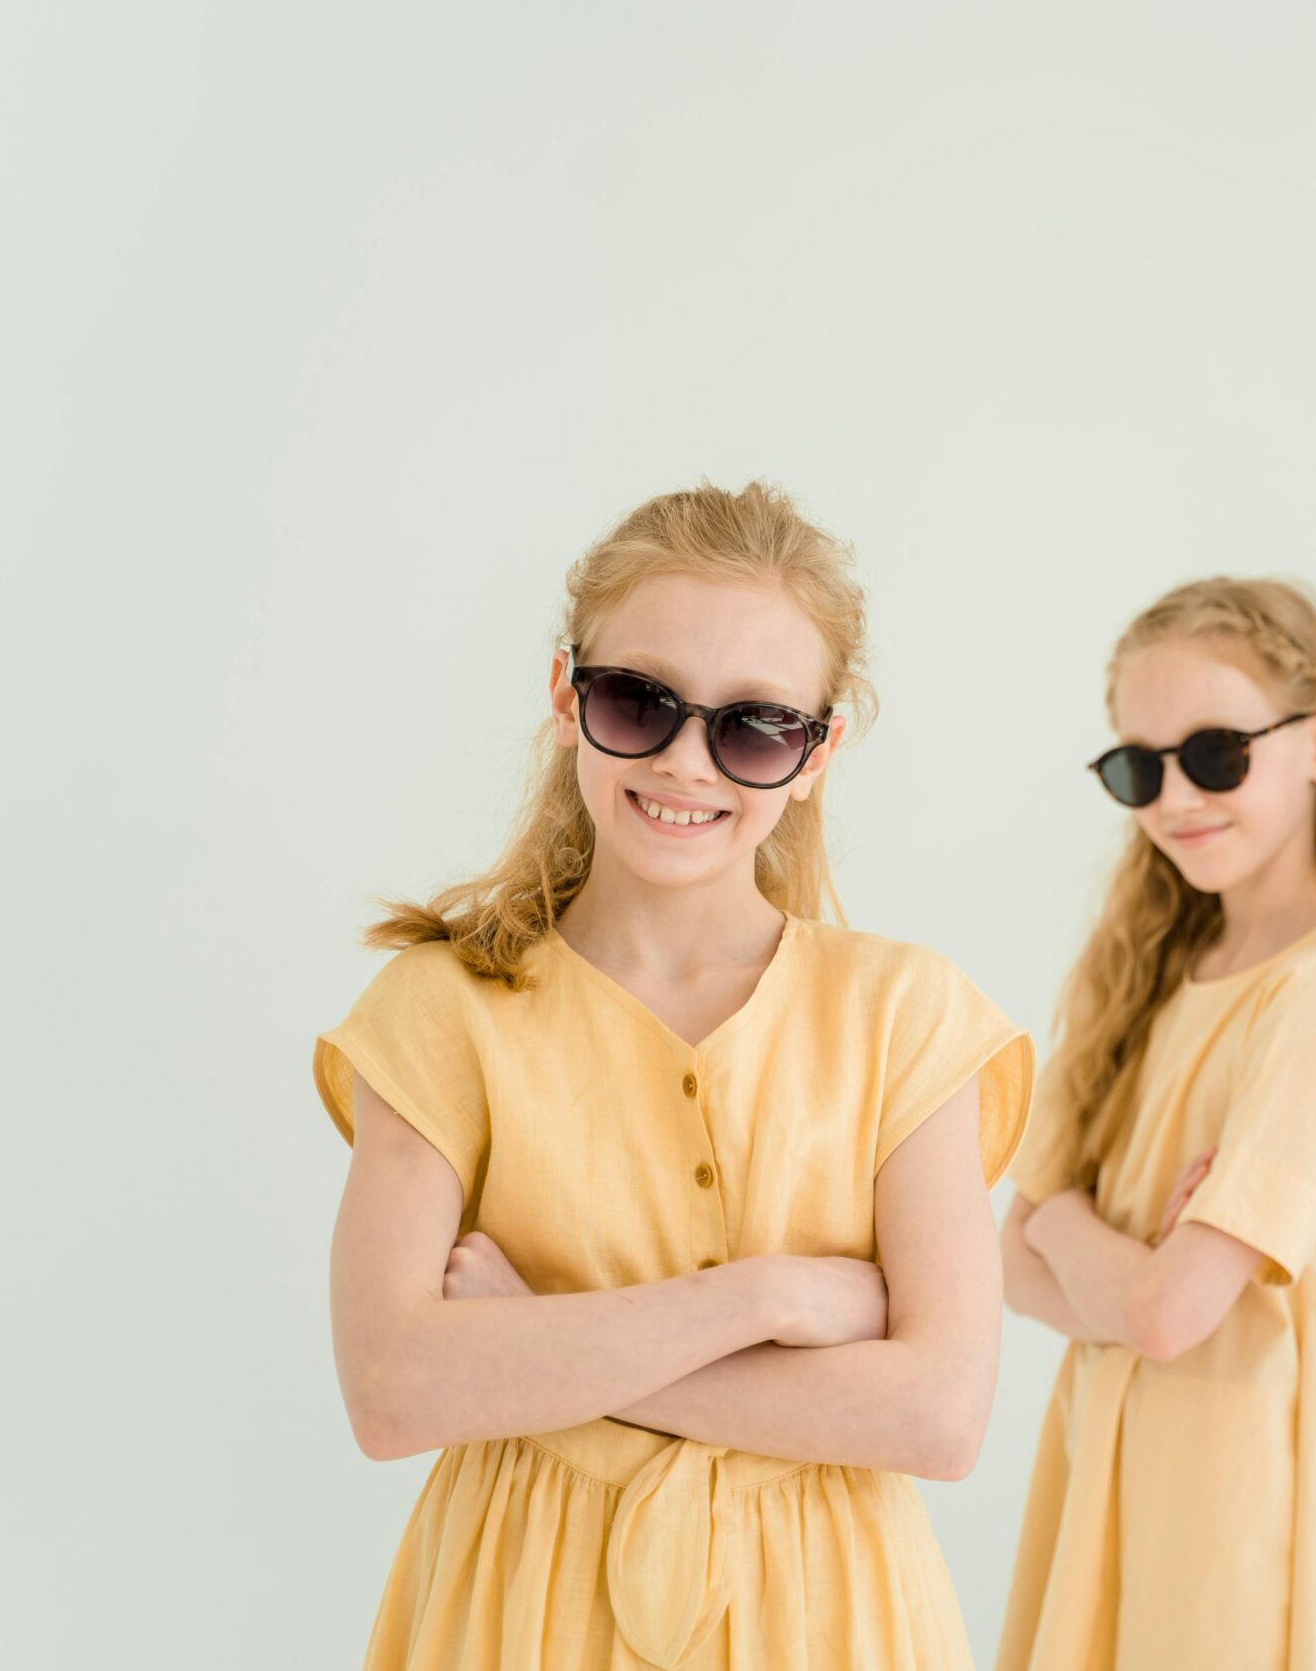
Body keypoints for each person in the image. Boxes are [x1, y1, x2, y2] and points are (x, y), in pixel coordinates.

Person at [312, 482, 1034, 1671]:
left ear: (814, 755)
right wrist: (768, 1300)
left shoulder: (906, 1014)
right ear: (566, 698)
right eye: (637, 701)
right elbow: (393, 1390)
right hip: (519, 1619)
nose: (689, 764)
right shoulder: (440, 1013)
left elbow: (936, 1417)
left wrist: (535, 1351)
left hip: (831, 1626)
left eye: (752, 727)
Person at [995, 578, 1316, 1671]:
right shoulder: (1143, 977)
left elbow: (1161, 1312)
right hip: (1135, 1478)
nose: (1172, 799)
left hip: (1255, 1520)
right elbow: (1005, 1263)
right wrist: (1067, 1230)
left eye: (1214, 754)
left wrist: (1061, 1223)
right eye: (1137, 767)